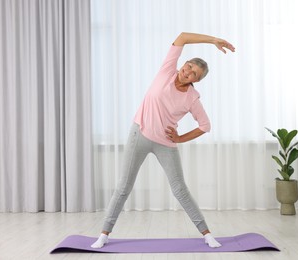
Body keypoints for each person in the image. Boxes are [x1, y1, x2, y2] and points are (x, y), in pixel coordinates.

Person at [91, 32, 235, 249]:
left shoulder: (192, 98)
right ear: (183, 64)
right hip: (139, 134)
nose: (187, 73)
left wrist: (179, 138)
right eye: (188, 67)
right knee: (123, 187)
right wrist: (213, 40)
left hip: (165, 144)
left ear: (197, 80)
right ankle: (104, 235)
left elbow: (205, 126)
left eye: (194, 74)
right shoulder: (167, 71)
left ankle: (206, 234)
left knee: (180, 189)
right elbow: (183, 36)